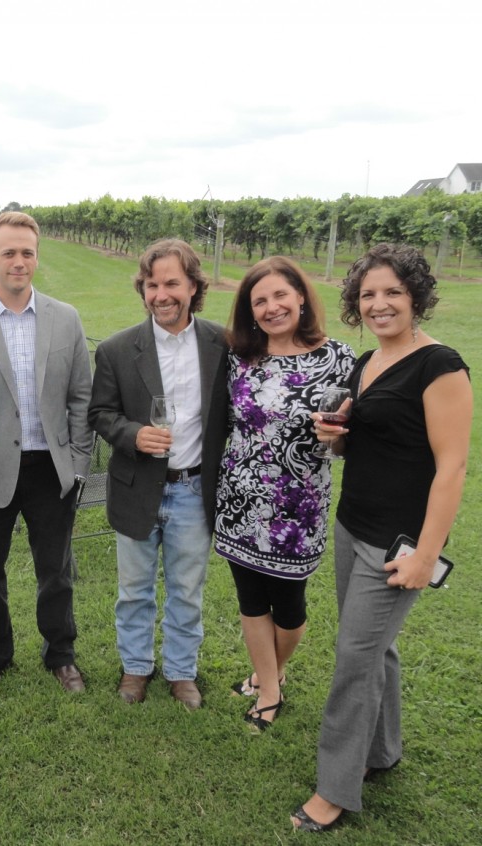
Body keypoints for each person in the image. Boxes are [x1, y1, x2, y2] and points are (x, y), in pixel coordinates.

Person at [292, 244, 471, 832]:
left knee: (355, 656)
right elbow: (356, 444)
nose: (379, 303)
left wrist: (425, 553)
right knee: (376, 649)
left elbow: (451, 470)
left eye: (392, 291)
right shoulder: (367, 361)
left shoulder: (439, 366)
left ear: (416, 295)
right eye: (368, 294)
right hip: (353, 525)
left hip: (397, 541)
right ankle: (382, 751)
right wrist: (334, 434)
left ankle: (335, 789)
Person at [0, 211, 93, 698]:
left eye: (27, 252)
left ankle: (61, 654)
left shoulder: (65, 318)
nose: (18, 261)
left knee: (57, 569)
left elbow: (79, 400)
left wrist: (77, 466)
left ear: (36, 256)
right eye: (8, 252)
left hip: (52, 470)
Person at [213, 257, 355, 731]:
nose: (272, 307)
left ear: (300, 295)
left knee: (291, 610)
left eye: (280, 295)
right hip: (240, 501)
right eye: (260, 301)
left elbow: (347, 440)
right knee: (251, 600)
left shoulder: (338, 358)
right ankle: (268, 687)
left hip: (300, 508)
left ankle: (268, 675)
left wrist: (336, 437)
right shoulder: (238, 357)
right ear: (250, 311)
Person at [88, 239, 228, 710]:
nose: (161, 294)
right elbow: (101, 413)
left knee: (187, 589)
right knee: (133, 589)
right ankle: (136, 667)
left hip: (193, 489)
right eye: (152, 284)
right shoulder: (116, 349)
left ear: (193, 286)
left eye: (172, 283)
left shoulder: (221, 345)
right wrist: (132, 434)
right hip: (137, 488)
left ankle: (182, 671)